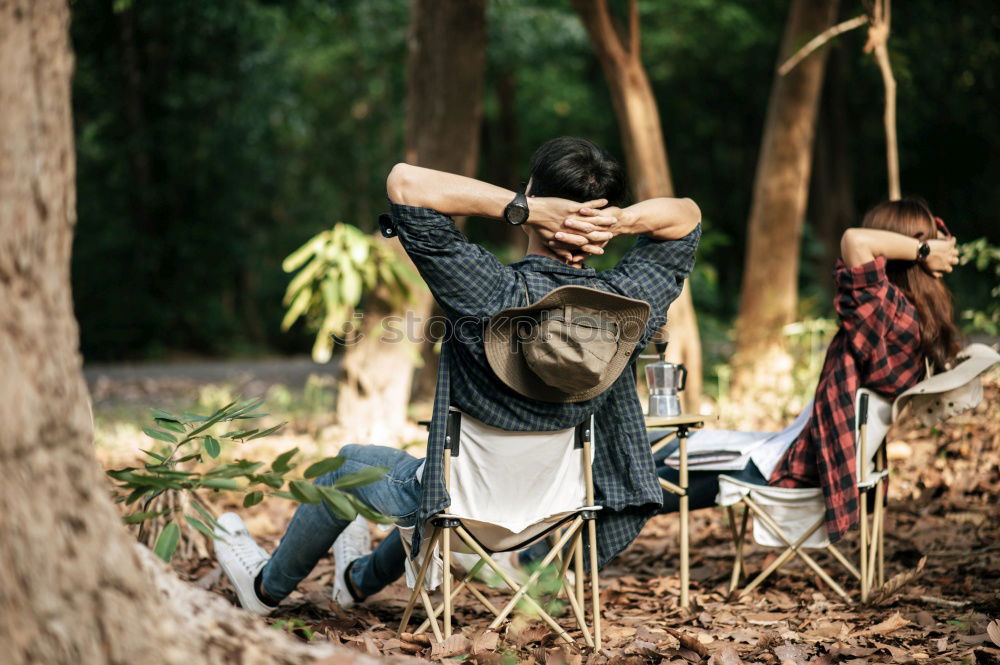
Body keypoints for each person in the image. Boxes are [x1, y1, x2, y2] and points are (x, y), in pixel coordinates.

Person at [212, 136, 702, 614]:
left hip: (458, 508)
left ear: (532, 194)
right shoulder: (627, 310)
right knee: (432, 477)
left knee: (349, 465)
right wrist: (618, 221)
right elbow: (687, 217)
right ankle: (357, 581)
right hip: (556, 513)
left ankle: (265, 588)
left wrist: (527, 209)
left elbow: (405, 183)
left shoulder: (488, 292)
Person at [647, 197, 960, 544]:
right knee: (645, 451)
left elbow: (856, 240)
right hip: (800, 454)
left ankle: (582, 538)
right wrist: (925, 250)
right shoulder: (917, 314)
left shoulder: (888, 314)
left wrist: (923, 249)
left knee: (641, 475)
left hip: (795, 469)